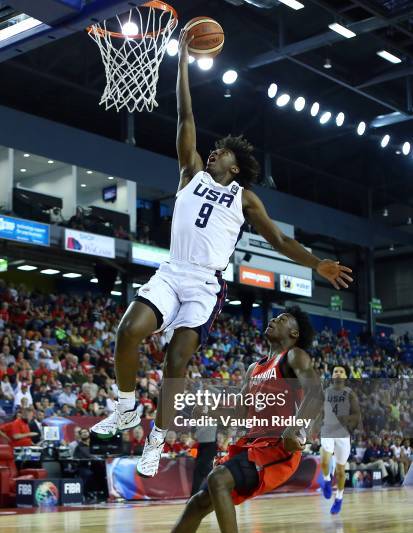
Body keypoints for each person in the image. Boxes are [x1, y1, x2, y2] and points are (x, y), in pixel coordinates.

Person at [91, 28, 353, 480]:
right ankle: (127, 408)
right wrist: (184, 63)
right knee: (128, 330)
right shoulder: (190, 172)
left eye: (221, 153)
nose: (212, 153)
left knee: (176, 361)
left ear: (234, 166)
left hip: (206, 283)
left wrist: (317, 264)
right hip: (172, 272)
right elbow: (185, 114)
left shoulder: (245, 198)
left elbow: (280, 242)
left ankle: (156, 440)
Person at [122, 307, 323, 533]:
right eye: (274, 316)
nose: (273, 319)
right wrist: (210, 410)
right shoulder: (255, 368)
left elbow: (315, 395)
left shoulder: (294, 357)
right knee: (197, 504)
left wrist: (299, 425)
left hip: (278, 449)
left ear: (293, 334)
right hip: (252, 444)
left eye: (282, 319)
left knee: (217, 479)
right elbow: (239, 411)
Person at [319, 365, 360, 514]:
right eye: (335, 371)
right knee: (324, 461)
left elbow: (356, 415)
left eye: (341, 371)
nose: (337, 373)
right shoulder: (325, 392)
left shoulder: (350, 394)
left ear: (345, 376)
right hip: (328, 430)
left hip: (343, 434)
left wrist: (348, 419)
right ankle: (326, 480)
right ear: (332, 375)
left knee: (341, 472)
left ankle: (339, 498)